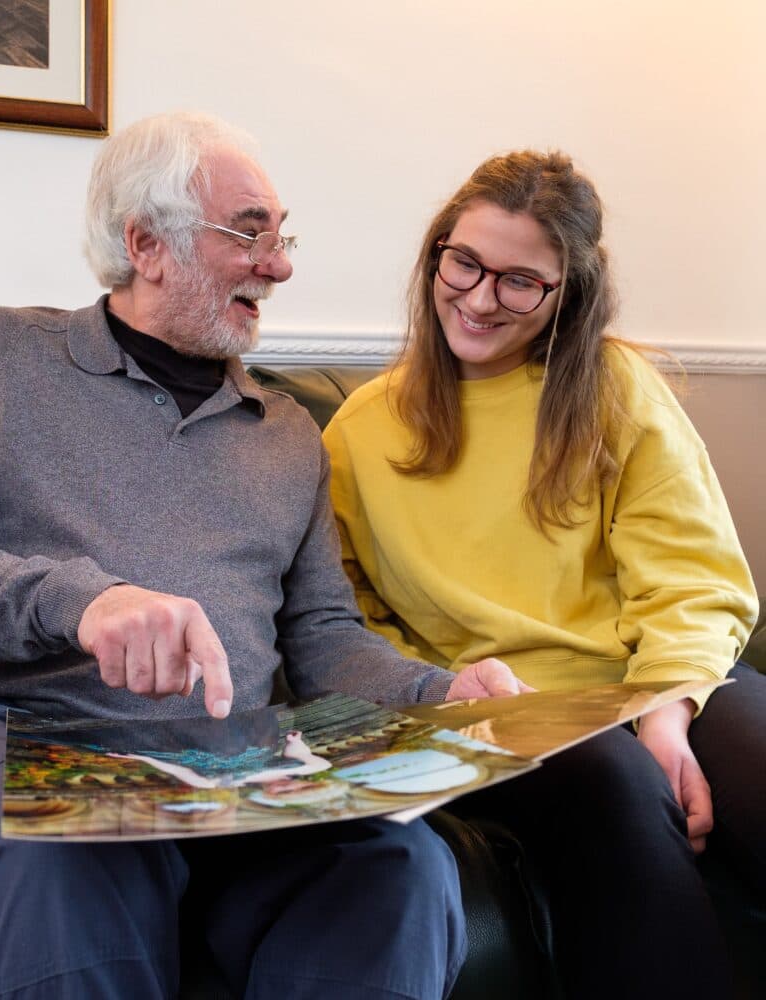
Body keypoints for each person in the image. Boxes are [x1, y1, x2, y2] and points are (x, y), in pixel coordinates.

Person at [0, 112, 525, 1000]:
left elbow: (323, 639)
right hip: (46, 753)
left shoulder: (286, 433)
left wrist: (440, 691)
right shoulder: (1, 356)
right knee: (50, 888)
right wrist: (81, 602)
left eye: (281, 239)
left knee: (402, 872)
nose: (278, 267)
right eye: (249, 233)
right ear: (145, 242)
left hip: (247, 772)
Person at [322, 149, 765, 999]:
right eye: (465, 262)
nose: (481, 298)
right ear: (436, 254)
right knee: (616, 783)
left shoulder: (615, 388)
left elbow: (695, 579)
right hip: (503, 718)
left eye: (521, 281)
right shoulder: (360, 431)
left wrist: (666, 714)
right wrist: (447, 691)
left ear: (569, 293)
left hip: (661, 681)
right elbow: (342, 621)